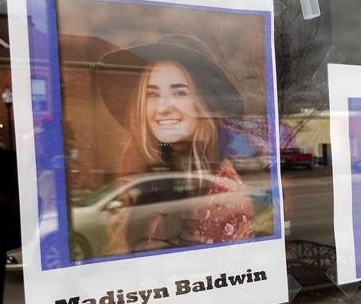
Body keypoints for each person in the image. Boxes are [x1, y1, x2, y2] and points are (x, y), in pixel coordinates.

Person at [94, 34, 254, 257]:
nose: (163, 107)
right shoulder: (152, 174)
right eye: (152, 94)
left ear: (202, 104)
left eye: (179, 92)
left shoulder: (220, 193)